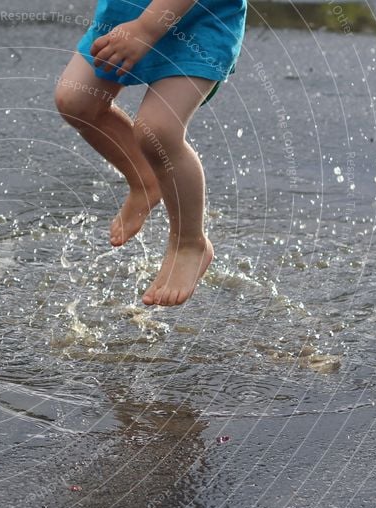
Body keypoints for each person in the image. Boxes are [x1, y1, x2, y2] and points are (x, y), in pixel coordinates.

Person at [54, 0, 246, 305]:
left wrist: (145, 29)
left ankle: (189, 242)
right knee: (76, 101)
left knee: (158, 130)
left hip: (198, 22)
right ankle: (145, 179)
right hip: (125, 13)